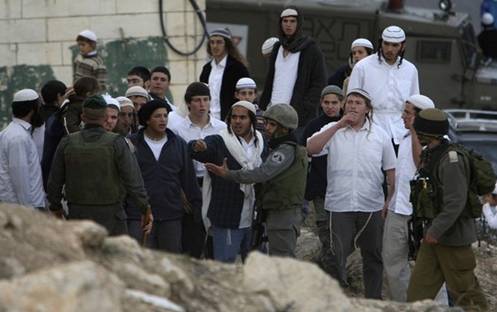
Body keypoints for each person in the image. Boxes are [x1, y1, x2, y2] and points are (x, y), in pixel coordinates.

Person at [306, 88, 396, 299]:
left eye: (358, 103)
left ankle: (373, 299)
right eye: (350, 102)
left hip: (371, 205)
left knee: (373, 256)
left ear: (367, 109)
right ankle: (339, 297)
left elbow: (391, 171)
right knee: (336, 255)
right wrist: (338, 125)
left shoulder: (380, 135)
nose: (353, 106)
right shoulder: (333, 128)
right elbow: (311, 148)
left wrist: (388, 201)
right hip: (339, 205)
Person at [406, 108, 488, 311]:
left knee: (466, 294)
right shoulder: (431, 154)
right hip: (433, 238)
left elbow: (455, 202)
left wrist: (435, 231)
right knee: (416, 296)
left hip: (453, 239)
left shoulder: (451, 160)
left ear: (427, 132)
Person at [206, 104, 307, 258]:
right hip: (277, 215)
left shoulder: (285, 150)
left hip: (283, 217)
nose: (266, 128)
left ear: (284, 128)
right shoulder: (279, 148)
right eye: (266, 123)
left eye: (272, 124)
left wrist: (228, 174)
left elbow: (261, 174)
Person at [47, 95, 153, 236]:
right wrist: (145, 209)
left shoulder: (67, 142)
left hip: (78, 214)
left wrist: (56, 208)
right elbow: (133, 180)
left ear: (83, 117)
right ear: (104, 117)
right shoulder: (117, 142)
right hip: (112, 215)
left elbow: (54, 181)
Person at [189, 101, 264, 262]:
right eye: (234, 117)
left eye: (242, 117)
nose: (237, 121)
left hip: (253, 218)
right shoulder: (220, 140)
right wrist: (197, 146)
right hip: (227, 218)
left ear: (251, 120)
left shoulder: (261, 141)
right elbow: (202, 149)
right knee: (225, 269)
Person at [382, 94, 437, 302]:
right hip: (398, 209)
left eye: (407, 112)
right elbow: (399, 175)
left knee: (430, 268)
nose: (402, 116)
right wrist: (389, 200)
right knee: (393, 264)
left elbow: (420, 165)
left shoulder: (436, 142)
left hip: (422, 214)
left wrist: (415, 131)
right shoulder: (403, 138)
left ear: (419, 117)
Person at [132, 99, 202, 252]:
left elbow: (188, 179)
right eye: (157, 116)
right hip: (141, 215)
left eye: (165, 115)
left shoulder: (178, 144)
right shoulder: (132, 144)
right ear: (147, 120)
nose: (163, 119)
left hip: (171, 214)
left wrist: (196, 208)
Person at [168, 82, 226, 258]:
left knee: (215, 242)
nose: (202, 105)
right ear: (188, 103)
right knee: (192, 240)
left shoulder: (222, 128)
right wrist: (180, 191)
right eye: (197, 100)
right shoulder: (177, 130)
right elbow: (173, 164)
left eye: (205, 100)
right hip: (190, 186)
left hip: (215, 186)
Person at [348, 26, 419, 147]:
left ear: (403, 46)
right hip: (370, 130)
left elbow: (415, 103)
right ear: (381, 43)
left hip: (401, 132)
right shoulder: (362, 66)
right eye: (386, 44)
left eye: (395, 45)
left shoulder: (410, 69)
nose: (389, 49)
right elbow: (351, 102)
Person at [259, 7, 327, 131]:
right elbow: (270, 80)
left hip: (296, 117)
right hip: (271, 112)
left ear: (299, 23)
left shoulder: (310, 49)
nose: (288, 25)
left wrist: (305, 107)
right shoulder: (277, 48)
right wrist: (263, 106)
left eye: (292, 21)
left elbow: (319, 82)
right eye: (285, 21)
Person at [300, 85, 343, 273]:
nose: (330, 106)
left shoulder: (349, 124)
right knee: (325, 232)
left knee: (341, 234)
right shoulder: (313, 126)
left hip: (343, 189)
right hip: (320, 188)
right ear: (321, 103)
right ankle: (330, 274)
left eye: (334, 102)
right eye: (326, 102)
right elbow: (303, 153)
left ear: (342, 103)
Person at [0, 89, 45, 210]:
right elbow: (19, 178)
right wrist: (28, 210)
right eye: (39, 107)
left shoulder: (15, 132)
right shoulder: (18, 137)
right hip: (26, 207)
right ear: (32, 109)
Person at [200, 28, 250, 121]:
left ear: (227, 45)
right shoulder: (206, 69)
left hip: (229, 120)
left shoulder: (238, 68)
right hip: (208, 120)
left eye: (219, 42)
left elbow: (245, 97)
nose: (215, 46)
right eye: (212, 42)